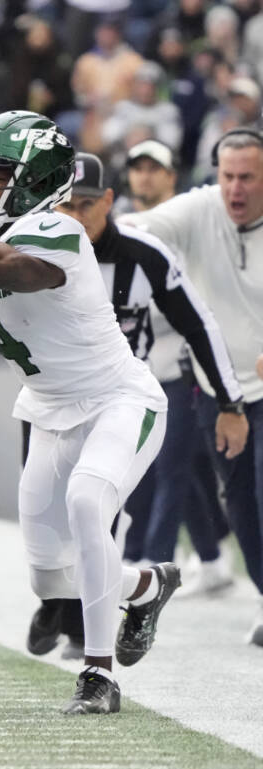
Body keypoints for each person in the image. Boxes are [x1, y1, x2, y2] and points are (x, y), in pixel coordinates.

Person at [0, 112, 181, 714]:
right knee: (51, 580)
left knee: (87, 504)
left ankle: (98, 676)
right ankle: (146, 585)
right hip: (50, 413)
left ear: (33, 180)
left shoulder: (60, 230)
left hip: (119, 401)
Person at [20, 152, 246, 660]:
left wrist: (229, 398)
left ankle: (87, 635)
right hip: (47, 399)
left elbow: (197, 322)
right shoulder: (32, 245)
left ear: (108, 201)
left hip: (114, 401)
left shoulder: (144, 254)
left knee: (95, 513)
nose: (73, 218)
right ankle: (62, 597)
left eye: (84, 204)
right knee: (42, 528)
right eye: (64, 205)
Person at [125, 128, 263, 645]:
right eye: (228, 176)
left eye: (248, 177)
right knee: (240, 505)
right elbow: (139, 226)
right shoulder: (200, 207)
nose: (236, 188)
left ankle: (161, 559)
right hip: (216, 388)